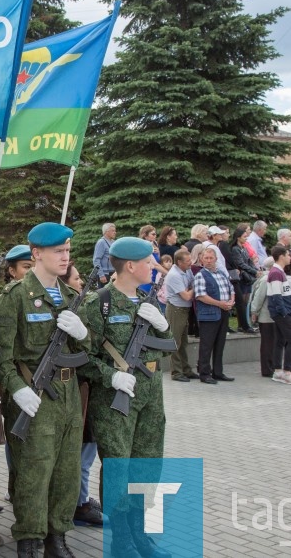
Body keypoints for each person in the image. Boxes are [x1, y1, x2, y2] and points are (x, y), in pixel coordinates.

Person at [0, 223, 89, 557]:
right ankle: (30, 540)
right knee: (33, 471)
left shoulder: (73, 298)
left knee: (66, 471)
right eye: (58, 251)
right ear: (36, 254)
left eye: (67, 251)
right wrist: (16, 389)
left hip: (68, 395)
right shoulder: (14, 297)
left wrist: (83, 333)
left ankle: (56, 537)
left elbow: (89, 354)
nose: (66, 257)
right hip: (33, 395)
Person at [79, 237, 173, 558]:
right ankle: (121, 540)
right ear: (130, 266)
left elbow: (167, 344)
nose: (153, 266)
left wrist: (163, 325)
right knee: (119, 468)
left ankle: (141, 536)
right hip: (116, 399)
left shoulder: (147, 300)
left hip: (150, 395)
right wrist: (111, 376)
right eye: (149, 262)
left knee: (147, 467)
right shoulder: (99, 303)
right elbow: (82, 356)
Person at [57, 264, 102, 529]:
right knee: (83, 454)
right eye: (77, 278)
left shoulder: (81, 308)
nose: (81, 281)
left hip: (85, 389)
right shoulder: (70, 308)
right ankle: (79, 503)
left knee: (85, 451)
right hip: (78, 389)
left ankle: (80, 497)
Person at [193, 247, 234, 384]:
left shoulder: (222, 273)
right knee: (207, 345)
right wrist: (219, 303)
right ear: (201, 260)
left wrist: (231, 301)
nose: (209, 261)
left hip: (224, 312)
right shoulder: (200, 275)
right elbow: (200, 296)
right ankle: (204, 373)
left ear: (216, 259)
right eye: (206, 258)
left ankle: (218, 372)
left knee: (220, 344)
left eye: (211, 258)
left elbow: (231, 289)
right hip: (209, 314)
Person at [266, 246, 291, 385]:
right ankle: (287, 372)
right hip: (282, 313)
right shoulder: (276, 273)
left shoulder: (279, 272)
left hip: (282, 311)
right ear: (281, 256)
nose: (290, 258)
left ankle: (277, 371)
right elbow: (276, 295)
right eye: (287, 255)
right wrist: (284, 312)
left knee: (280, 341)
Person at [163, 249, 197, 382]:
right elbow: (187, 296)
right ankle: (176, 373)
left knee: (183, 342)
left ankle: (186, 370)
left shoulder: (187, 270)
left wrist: (191, 287)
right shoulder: (174, 275)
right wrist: (195, 287)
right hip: (176, 310)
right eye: (187, 261)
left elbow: (191, 283)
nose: (190, 263)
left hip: (184, 310)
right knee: (175, 342)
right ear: (179, 262)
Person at [227, 225, 259, 334]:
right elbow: (240, 263)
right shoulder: (235, 249)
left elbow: (248, 261)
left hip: (247, 278)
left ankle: (244, 323)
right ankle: (243, 324)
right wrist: (254, 271)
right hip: (241, 278)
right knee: (242, 302)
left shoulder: (243, 248)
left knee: (246, 301)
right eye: (244, 236)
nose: (246, 238)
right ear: (238, 237)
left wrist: (255, 270)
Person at [249, 258, 277, 377]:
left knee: (272, 343)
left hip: (272, 316)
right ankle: (267, 368)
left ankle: (272, 366)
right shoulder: (266, 280)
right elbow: (258, 298)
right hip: (266, 317)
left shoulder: (271, 278)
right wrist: (254, 312)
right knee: (267, 343)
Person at [93, 223, 115, 287]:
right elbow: (96, 260)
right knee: (104, 295)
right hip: (105, 275)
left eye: (115, 230)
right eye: (112, 231)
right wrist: (101, 275)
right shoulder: (101, 242)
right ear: (106, 232)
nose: (115, 232)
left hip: (113, 274)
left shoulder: (113, 242)